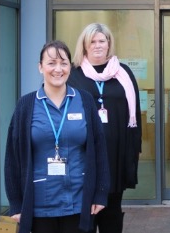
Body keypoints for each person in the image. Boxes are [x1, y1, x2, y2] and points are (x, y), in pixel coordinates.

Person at [5, 40, 110, 233]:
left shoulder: (85, 100)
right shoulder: (26, 105)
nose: (58, 69)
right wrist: (16, 203)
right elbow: (12, 157)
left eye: (64, 63)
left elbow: (100, 148)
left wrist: (100, 193)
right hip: (39, 204)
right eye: (51, 63)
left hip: (79, 201)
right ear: (40, 67)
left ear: (70, 67)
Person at [68, 23, 143, 233]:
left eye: (102, 40)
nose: (97, 45)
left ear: (109, 43)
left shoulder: (123, 73)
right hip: (84, 154)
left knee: (112, 210)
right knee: (86, 212)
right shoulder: (73, 74)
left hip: (116, 154)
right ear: (84, 45)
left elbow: (135, 113)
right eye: (92, 41)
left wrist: (134, 149)